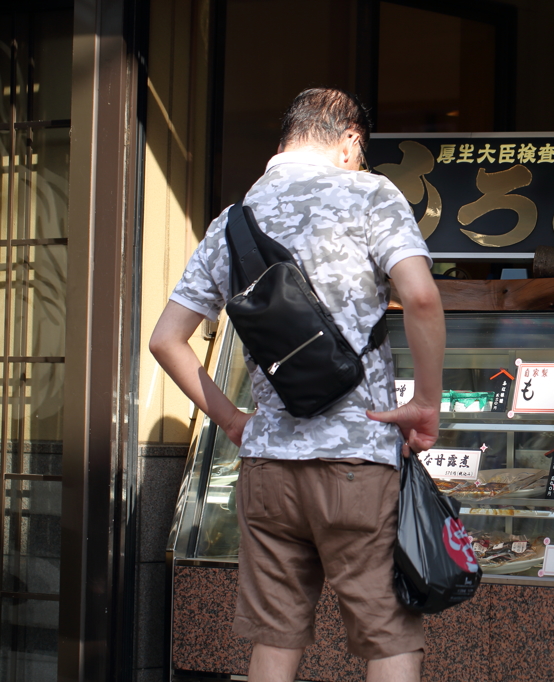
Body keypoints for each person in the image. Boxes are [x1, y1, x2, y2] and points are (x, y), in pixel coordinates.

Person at [149, 88, 444, 682]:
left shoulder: (232, 222)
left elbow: (165, 340)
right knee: (387, 638)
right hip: (358, 460)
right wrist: (425, 405)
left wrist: (233, 421)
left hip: (268, 469)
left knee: (275, 642)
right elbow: (420, 296)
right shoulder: (371, 194)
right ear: (350, 143)